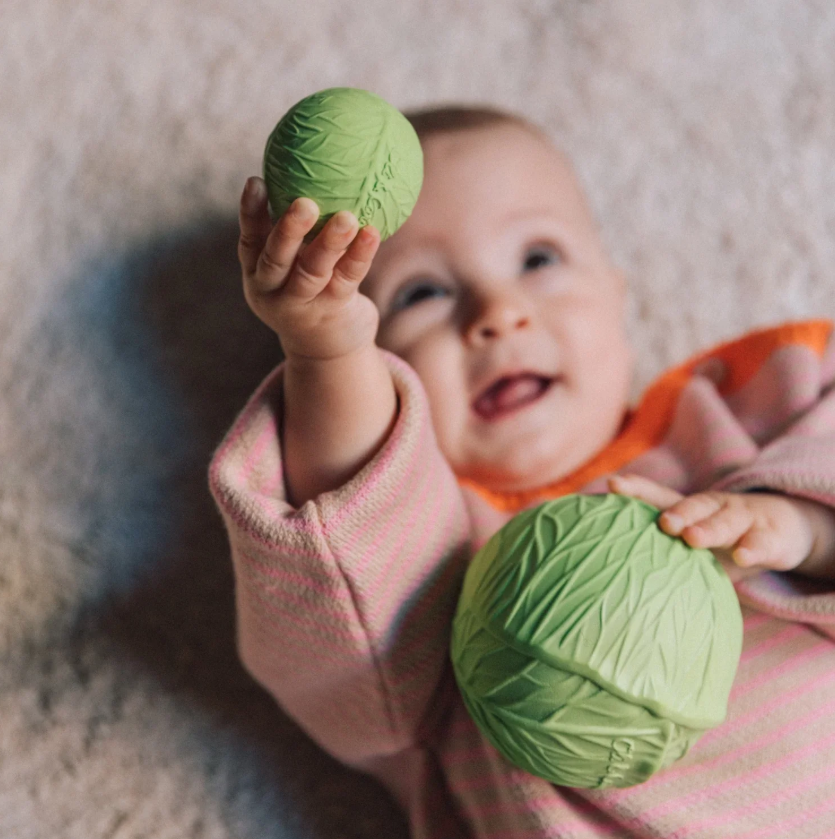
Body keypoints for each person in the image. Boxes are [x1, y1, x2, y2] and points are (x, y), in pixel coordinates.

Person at [209, 105, 835, 838]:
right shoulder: (432, 566)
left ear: (615, 293)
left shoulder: (741, 418)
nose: (497, 311)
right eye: (421, 293)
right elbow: (340, 576)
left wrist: (800, 525)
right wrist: (327, 354)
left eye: (537, 258)